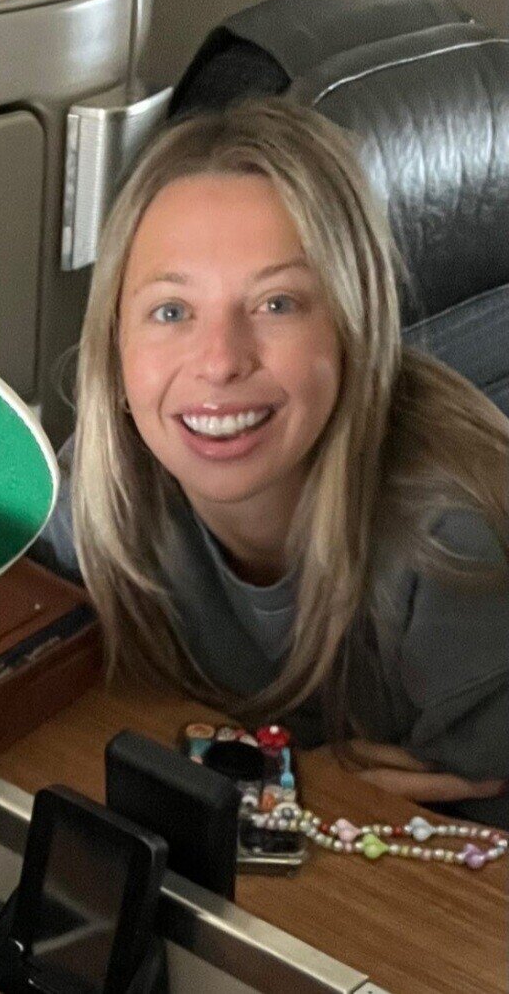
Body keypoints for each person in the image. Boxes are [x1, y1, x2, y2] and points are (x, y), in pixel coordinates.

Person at [29, 97, 509, 827]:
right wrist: (296, 779)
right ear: (115, 349)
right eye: (171, 311)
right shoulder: (103, 483)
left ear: (354, 329)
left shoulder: (460, 538)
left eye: (277, 303)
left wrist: (325, 803)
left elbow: (465, 851)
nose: (221, 361)